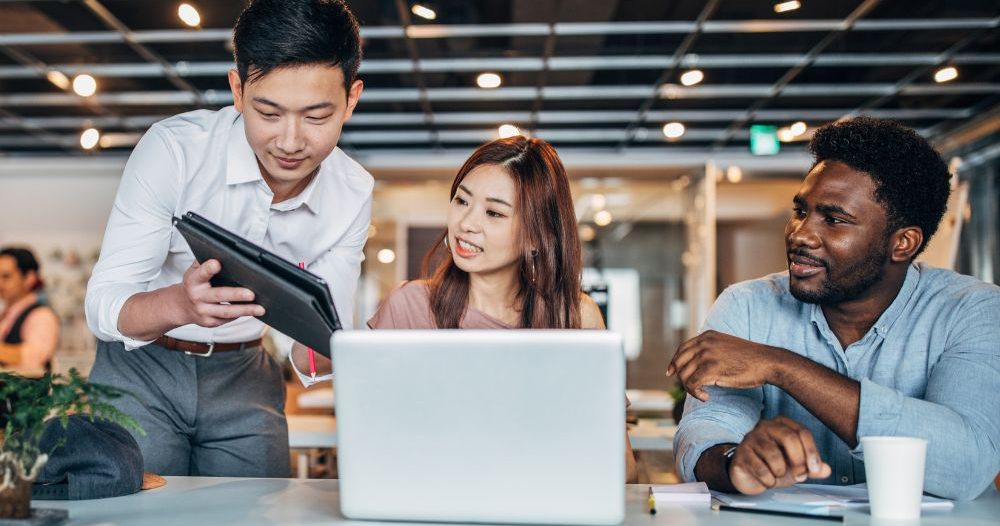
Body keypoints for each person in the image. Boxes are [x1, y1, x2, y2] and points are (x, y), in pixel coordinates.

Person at [84, 0, 372, 477]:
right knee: (133, 511)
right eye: (270, 112)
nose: (291, 141)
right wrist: (181, 304)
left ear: (351, 99)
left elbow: (316, 347)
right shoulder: (175, 150)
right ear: (237, 90)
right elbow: (102, 306)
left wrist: (348, 345)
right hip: (139, 370)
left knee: (257, 510)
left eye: (317, 116)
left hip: (245, 374)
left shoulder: (353, 192)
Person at [669, 117, 1000, 500]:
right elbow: (707, 427)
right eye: (801, 211)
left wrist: (784, 367)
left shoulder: (973, 310)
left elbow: (967, 463)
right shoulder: (746, 306)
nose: (801, 234)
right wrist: (734, 462)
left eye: (834, 219)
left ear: (903, 243)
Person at [295, 136, 638, 482]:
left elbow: (622, 471)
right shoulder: (410, 306)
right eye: (461, 201)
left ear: (536, 236)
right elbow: (363, 441)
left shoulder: (575, 316)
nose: (467, 223)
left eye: (493, 212)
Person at [0, 247, 59, 374]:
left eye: (6, 276)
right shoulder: (6, 314)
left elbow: (34, 357)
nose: (0, 282)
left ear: (29, 278)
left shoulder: (42, 315)